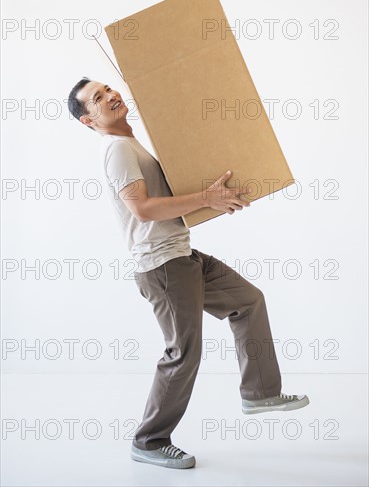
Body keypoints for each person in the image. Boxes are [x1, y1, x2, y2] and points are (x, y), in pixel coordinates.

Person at [68, 77, 310, 470]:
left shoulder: (133, 143)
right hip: (162, 266)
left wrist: (214, 203)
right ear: (88, 120)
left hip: (182, 255)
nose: (110, 96)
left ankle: (260, 392)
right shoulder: (116, 150)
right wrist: (205, 198)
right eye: (97, 99)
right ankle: (149, 440)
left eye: (108, 88)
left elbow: (168, 201)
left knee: (248, 302)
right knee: (183, 352)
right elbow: (143, 209)